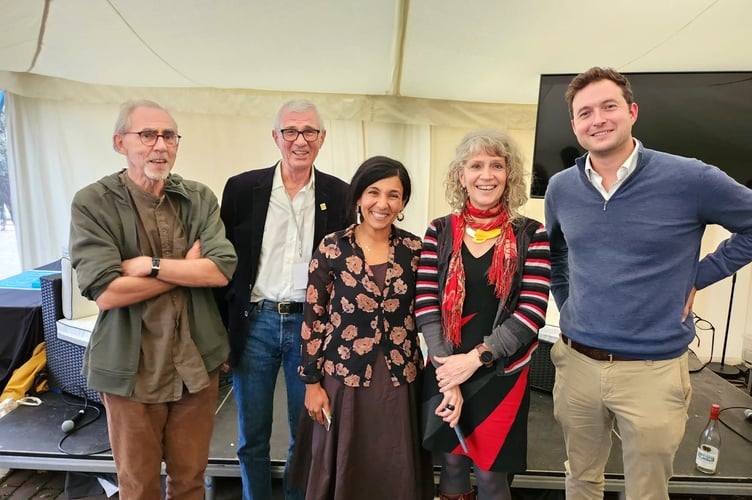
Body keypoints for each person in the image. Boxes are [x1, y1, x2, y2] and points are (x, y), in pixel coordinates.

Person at [544, 67, 752, 500]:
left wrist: (700, 276)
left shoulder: (691, 178)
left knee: (647, 491)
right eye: (585, 112)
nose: (597, 119)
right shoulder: (562, 188)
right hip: (577, 364)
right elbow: (557, 253)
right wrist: (567, 304)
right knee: (580, 479)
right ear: (574, 126)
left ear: (632, 111)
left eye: (608, 106)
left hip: (654, 372)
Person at [69, 100, 238, 499]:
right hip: (132, 372)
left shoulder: (197, 197)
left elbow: (219, 269)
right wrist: (184, 269)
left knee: (191, 482)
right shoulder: (93, 202)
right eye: (147, 135)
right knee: (138, 485)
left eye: (168, 136)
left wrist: (150, 265)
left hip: (195, 367)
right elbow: (107, 292)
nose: (159, 145)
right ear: (119, 142)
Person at [218, 99, 350, 500]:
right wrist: (224, 331)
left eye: (309, 131)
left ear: (322, 138)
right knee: (250, 435)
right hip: (255, 321)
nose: (300, 140)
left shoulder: (340, 195)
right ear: (275, 137)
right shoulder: (242, 189)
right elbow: (224, 265)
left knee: (305, 433)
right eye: (290, 131)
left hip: (309, 326)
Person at [416, 130, 551, 500]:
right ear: (461, 175)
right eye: (476, 165)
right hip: (444, 370)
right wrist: (449, 373)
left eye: (496, 165)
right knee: (453, 467)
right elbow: (426, 305)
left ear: (510, 175)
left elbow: (531, 313)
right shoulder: (439, 231)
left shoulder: (532, 235)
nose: (486, 175)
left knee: (492, 477)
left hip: (500, 373)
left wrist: (473, 362)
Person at [296, 155, 434, 500]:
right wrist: (312, 383)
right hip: (343, 379)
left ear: (403, 203)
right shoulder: (332, 248)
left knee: (394, 467)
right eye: (374, 192)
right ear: (358, 196)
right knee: (345, 467)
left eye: (393, 195)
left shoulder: (415, 250)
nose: (382, 203)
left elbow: (430, 312)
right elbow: (313, 319)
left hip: (399, 380)